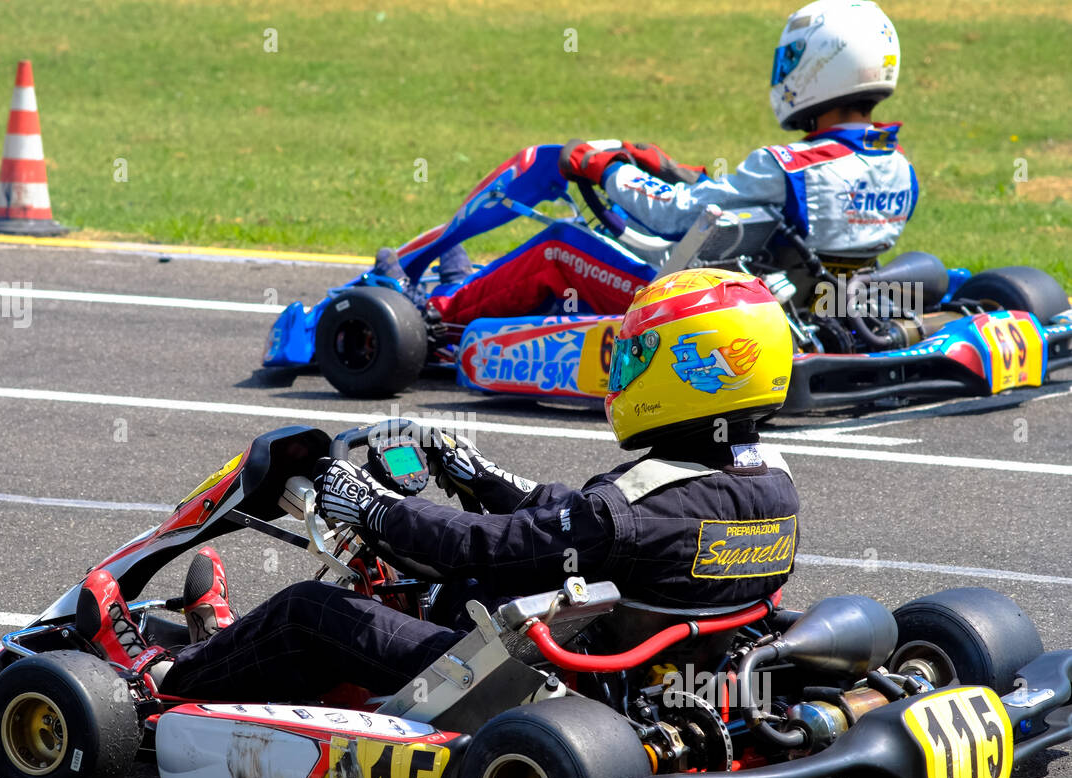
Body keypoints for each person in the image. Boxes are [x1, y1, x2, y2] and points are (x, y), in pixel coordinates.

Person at [70, 269, 802, 703]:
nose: (624, 370)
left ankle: (162, 680)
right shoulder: (770, 484)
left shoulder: (645, 502)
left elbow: (479, 547)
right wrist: (481, 476)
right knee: (423, 594)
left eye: (643, 354)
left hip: (544, 686)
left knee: (309, 610)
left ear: (694, 371)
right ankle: (226, 655)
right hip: (650, 665)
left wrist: (376, 507)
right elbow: (572, 528)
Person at [379, 0, 915, 329]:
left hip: (707, 305)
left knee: (559, 246)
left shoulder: (786, 163)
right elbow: (727, 203)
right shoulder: (896, 166)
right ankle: (460, 283)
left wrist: (604, 167)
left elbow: (673, 217)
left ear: (822, 67)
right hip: (800, 304)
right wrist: (669, 167)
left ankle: (432, 313)